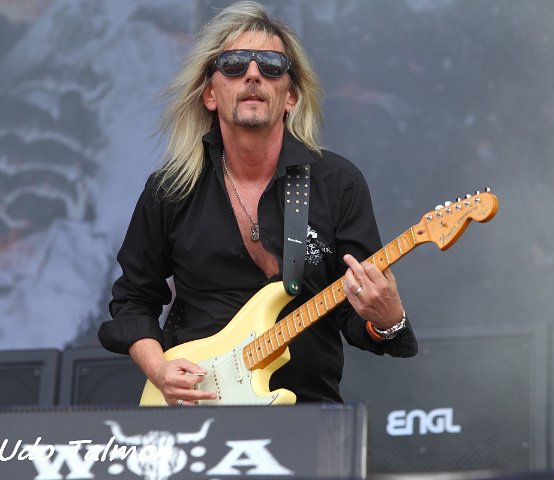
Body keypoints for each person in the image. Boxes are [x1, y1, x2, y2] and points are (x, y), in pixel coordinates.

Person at [98, 0, 417, 405]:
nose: (252, 74)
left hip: (306, 410)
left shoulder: (337, 183)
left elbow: (355, 313)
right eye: (233, 65)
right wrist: (158, 368)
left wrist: (387, 320)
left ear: (291, 96)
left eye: (271, 66)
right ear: (210, 94)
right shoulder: (172, 188)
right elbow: (134, 298)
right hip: (197, 407)